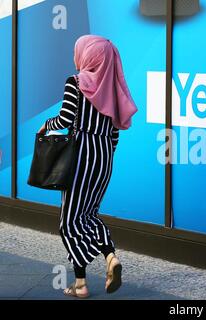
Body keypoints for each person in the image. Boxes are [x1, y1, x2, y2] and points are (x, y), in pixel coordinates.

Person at [38, 35, 138, 298]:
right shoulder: (114, 89)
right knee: (89, 214)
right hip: (104, 156)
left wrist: (45, 126)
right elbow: (115, 133)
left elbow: (66, 118)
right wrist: (103, 155)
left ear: (87, 56)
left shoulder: (77, 82)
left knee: (69, 221)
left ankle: (95, 270)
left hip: (79, 155)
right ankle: (95, 269)